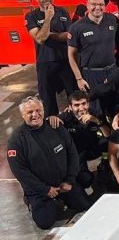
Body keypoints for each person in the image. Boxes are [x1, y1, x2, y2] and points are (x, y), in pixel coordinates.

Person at [7, 96, 92, 230]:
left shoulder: (56, 127)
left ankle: (61, 199)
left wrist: (69, 180)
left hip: (64, 183)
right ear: (22, 115)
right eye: (29, 112)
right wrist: (44, 189)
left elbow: (72, 153)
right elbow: (20, 171)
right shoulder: (17, 140)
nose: (35, 114)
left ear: (43, 110)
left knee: (84, 205)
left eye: (38, 110)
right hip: (39, 190)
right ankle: (31, 202)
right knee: (45, 222)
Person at [26, 0, 75, 116]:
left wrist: (49, 34)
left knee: (74, 96)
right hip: (45, 63)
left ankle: (75, 125)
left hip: (65, 61)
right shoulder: (31, 16)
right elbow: (40, 39)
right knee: (48, 100)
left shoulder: (63, 12)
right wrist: (48, 18)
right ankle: (52, 127)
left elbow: (69, 36)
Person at [68, 0, 119, 115]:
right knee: (95, 111)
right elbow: (71, 54)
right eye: (94, 4)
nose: (97, 7)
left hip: (112, 71)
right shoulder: (77, 27)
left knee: (115, 106)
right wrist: (79, 78)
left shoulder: (112, 20)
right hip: (91, 75)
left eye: (101, 4)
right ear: (87, 5)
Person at [57, 91, 111, 188]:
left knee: (107, 142)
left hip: (93, 148)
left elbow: (108, 134)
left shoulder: (96, 113)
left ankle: (105, 163)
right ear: (70, 107)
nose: (81, 108)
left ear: (88, 104)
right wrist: (51, 118)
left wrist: (96, 120)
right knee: (86, 181)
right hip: (77, 152)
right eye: (76, 105)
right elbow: (48, 125)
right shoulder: (65, 117)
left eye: (83, 104)